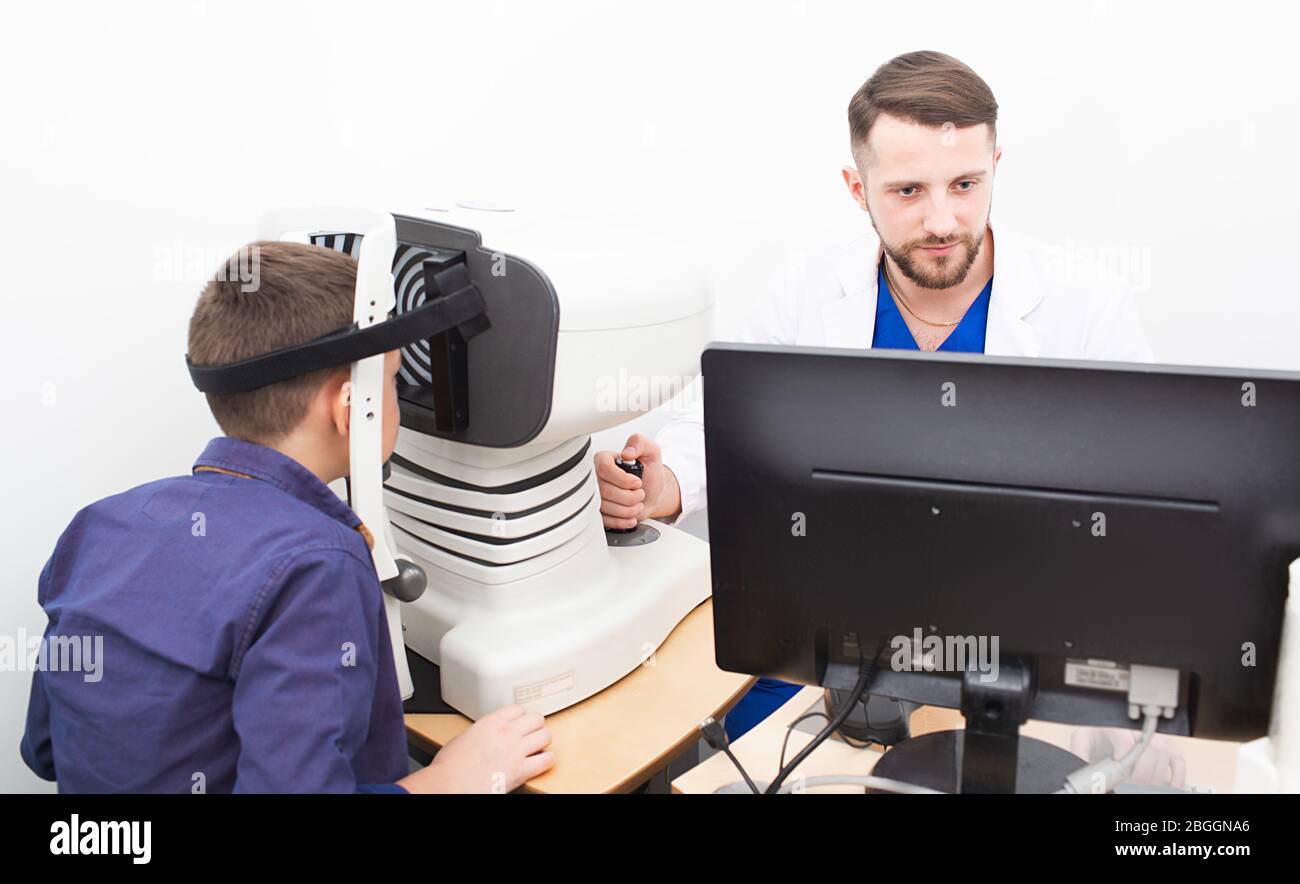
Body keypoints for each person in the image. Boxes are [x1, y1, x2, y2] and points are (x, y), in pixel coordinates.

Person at [595, 50, 1153, 740]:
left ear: (996, 168)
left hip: (1021, 639)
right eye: (908, 191)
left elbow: (1138, 501)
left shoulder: (1086, 307)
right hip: (834, 629)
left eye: (965, 184)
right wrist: (663, 481)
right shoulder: (805, 293)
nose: (944, 220)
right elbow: (722, 420)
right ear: (858, 190)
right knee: (752, 764)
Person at [21, 242, 554, 792]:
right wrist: (453, 779)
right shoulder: (317, 565)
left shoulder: (97, 526)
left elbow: (46, 750)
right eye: (393, 380)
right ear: (351, 408)